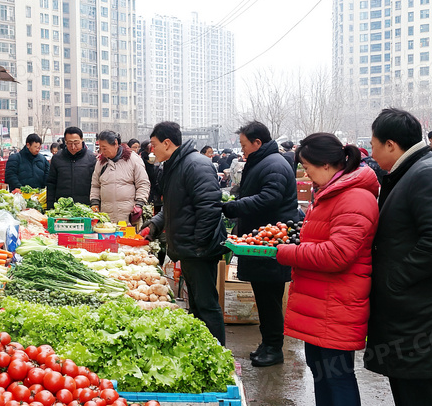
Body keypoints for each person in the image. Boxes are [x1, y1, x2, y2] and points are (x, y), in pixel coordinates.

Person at [364, 108, 432, 406]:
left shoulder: (427, 174)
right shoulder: (410, 171)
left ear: (391, 144)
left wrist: (395, 280)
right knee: (410, 387)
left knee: (417, 392)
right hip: (409, 309)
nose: (371, 151)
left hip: (419, 311)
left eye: (374, 144)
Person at [275, 133, 379, 406]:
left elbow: (338, 254)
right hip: (321, 301)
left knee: (337, 377)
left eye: (307, 168)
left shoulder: (355, 197)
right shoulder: (330, 193)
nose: (306, 176)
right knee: (321, 373)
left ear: (324, 164)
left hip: (337, 304)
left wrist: (286, 252)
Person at [219, 121, 302, 367]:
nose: (242, 150)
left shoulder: (274, 164)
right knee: (264, 297)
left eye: (244, 145)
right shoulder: (263, 162)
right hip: (260, 241)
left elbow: (269, 198)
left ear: (258, 143)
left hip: (270, 242)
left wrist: (234, 206)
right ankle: (267, 343)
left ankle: (274, 348)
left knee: (270, 298)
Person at [141, 122, 228, 345]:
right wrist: (154, 226)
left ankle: (218, 354)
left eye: (154, 145)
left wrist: (199, 245)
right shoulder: (175, 165)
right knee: (197, 305)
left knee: (207, 305)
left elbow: (209, 208)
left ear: (167, 143)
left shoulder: (196, 165)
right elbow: (174, 208)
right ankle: (204, 348)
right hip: (190, 248)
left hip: (199, 250)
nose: (152, 150)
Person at [91, 131, 150, 224]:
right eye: (100, 148)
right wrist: (94, 203)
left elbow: (143, 183)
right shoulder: (101, 162)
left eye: (104, 148)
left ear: (115, 143)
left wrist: (139, 204)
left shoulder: (133, 159)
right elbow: (95, 185)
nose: (102, 152)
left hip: (129, 216)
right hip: (106, 217)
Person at [46, 127, 97, 208]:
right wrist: (49, 206)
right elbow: (51, 184)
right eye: (69, 143)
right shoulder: (57, 158)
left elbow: (96, 185)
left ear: (82, 140)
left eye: (76, 143)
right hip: (62, 208)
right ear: (65, 142)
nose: (73, 147)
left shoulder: (91, 158)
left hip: (85, 207)